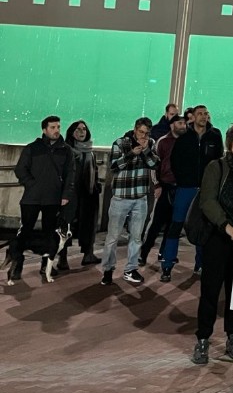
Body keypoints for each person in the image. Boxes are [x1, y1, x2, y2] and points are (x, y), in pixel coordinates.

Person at [191, 125, 233, 365]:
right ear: (229, 144)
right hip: (218, 236)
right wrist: (225, 225)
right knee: (210, 290)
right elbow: (207, 201)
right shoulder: (216, 167)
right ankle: (203, 339)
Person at [10, 116, 75, 280]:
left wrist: (66, 195)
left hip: (53, 199)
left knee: (50, 234)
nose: (56, 130)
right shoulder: (32, 148)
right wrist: (32, 184)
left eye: (58, 127)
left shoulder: (66, 150)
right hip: (31, 198)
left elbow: (70, 174)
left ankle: (46, 266)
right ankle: (17, 264)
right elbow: (20, 169)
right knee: (24, 232)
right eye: (52, 127)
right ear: (44, 130)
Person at [165, 105, 224, 281]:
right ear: (193, 117)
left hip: (206, 190)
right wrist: (183, 180)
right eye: (200, 114)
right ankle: (167, 265)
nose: (203, 116)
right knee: (176, 225)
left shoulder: (215, 136)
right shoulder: (184, 137)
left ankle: (201, 264)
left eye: (206, 114)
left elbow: (218, 161)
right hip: (185, 188)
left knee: (203, 228)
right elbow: (175, 160)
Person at [101, 117, 158, 285]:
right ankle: (108, 269)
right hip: (121, 197)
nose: (143, 136)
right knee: (113, 237)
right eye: (141, 132)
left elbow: (155, 164)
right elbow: (114, 166)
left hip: (140, 198)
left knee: (136, 237)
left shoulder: (151, 144)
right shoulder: (120, 143)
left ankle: (131, 269)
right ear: (135, 130)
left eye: (146, 133)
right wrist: (132, 153)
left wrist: (146, 151)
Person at [140, 114, 186, 268]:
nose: (183, 126)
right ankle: (143, 253)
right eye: (180, 123)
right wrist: (157, 185)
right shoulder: (163, 142)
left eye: (184, 123)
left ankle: (164, 252)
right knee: (156, 223)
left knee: (173, 224)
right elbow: (154, 165)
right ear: (172, 125)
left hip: (179, 188)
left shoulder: (186, 141)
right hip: (164, 187)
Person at [65, 120, 102, 267]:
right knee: (66, 225)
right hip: (71, 194)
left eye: (84, 129)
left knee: (88, 224)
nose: (82, 132)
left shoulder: (90, 152)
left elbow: (94, 170)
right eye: (78, 129)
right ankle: (62, 258)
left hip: (88, 194)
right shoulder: (67, 150)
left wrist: (96, 186)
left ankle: (88, 254)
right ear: (72, 132)